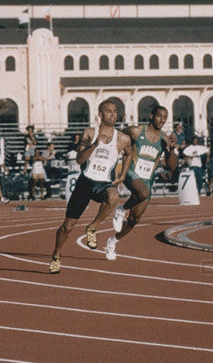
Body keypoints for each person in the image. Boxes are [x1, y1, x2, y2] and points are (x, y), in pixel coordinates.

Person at [48, 100, 130, 274]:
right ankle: (56, 255)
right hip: (85, 182)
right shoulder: (89, 133)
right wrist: (94, 145)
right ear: (100, 114)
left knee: (114, 197)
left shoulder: (123, 138)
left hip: (103, 183)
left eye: (115, 111)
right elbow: (79, 160)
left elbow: (130, 154)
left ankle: (92, 227)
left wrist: (122, 175)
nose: (113, 115)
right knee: (67, 227)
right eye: (109, 112)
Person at [105, 104, 178, 259]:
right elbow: (117, 137)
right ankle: (121, 209)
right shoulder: (136, 131)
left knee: (134, 219)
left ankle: (112, 242)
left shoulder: (164, 139)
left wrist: (171, 150)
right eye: (159, 116)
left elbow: (171, 167)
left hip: (147, 178)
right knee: (142, 192)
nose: (162, 120)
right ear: (151, 116)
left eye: (165, 117)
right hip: (131, 172)